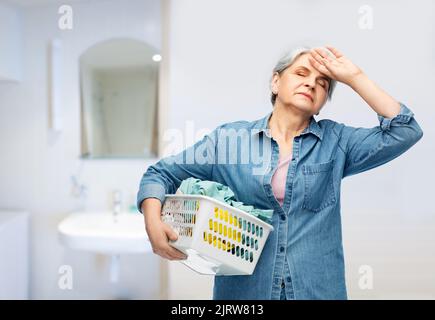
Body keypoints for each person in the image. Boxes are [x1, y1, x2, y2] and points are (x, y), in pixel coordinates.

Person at [137, 45, 423, 300]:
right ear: (276, 81)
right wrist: (152, 222)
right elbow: (159, 174)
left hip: (318, 291)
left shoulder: (338, 143)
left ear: (324, 100)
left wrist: (354, 77)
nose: (311, 83)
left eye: (322, 83)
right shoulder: (228, 140)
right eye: (301, 73)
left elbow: (405, 131)